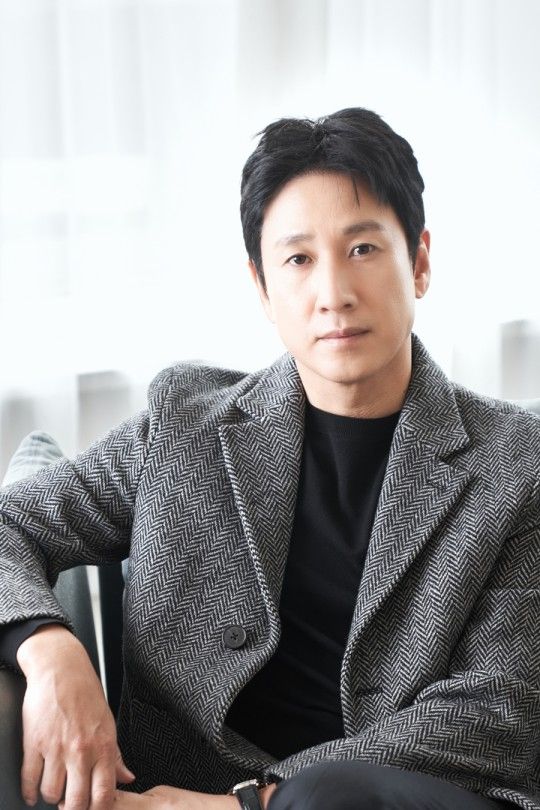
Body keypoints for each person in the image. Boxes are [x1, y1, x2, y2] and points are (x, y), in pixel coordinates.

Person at [0, 107, 538, 810]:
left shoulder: (517, 463)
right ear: (262, 287)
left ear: (420, 262)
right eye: (299, 260)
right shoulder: (186, 424)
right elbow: (13, 524)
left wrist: (252, 804)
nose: (333, 295)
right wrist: (49, 652)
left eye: (363, 249)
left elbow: (499, 708)